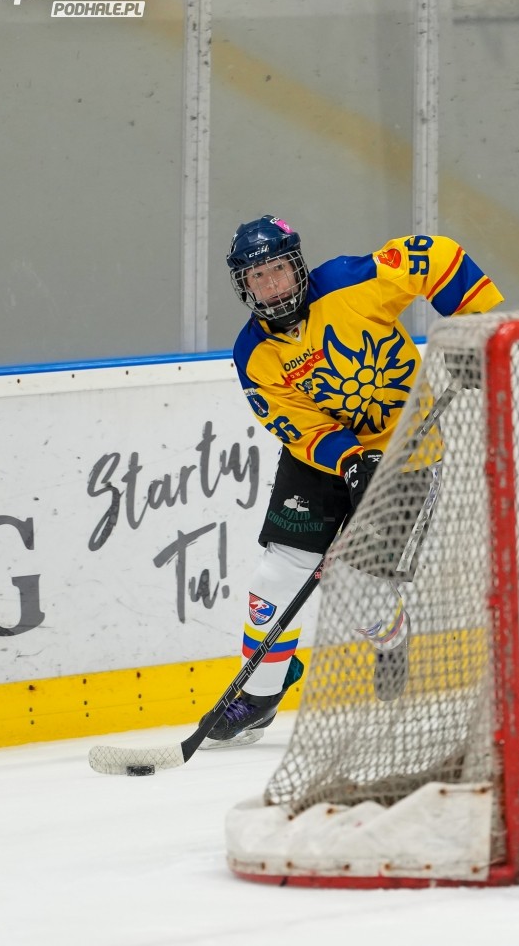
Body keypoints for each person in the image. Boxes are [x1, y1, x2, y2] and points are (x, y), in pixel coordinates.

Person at [204, 215, 503, 745]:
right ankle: (260, 696)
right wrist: (349, 460)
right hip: (322, 462)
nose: (271, 285)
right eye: (257, 277)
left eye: (278, 269)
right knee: (276, 575)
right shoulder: (253, 353)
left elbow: (433, 256)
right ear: (244, 287)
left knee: (361, 592)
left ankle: (391, 633)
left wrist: (474, 331)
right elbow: (300, 426)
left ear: (297, 266)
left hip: (406, 453)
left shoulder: (348, 283)